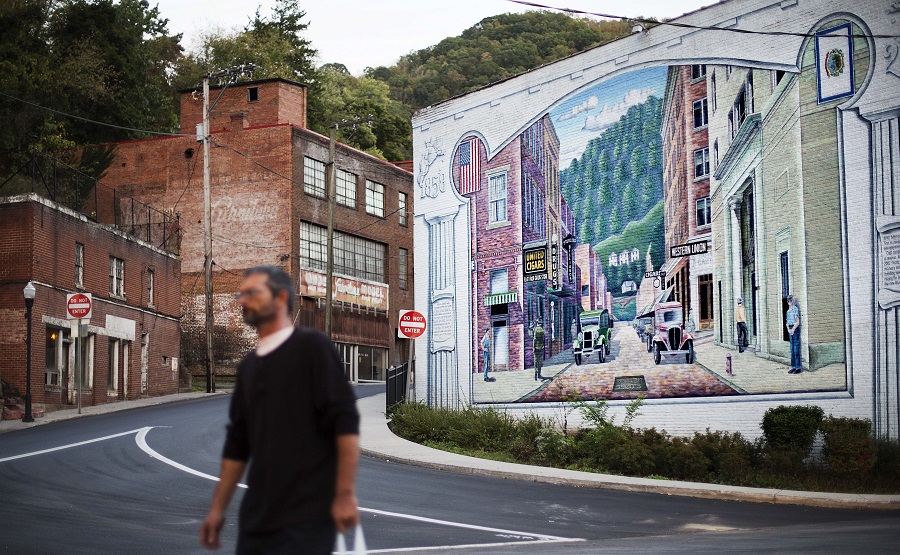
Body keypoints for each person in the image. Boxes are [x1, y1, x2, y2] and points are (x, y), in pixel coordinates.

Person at [200, 266, 360, 554]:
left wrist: (345, 494)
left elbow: (345, 423)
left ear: (281, 297)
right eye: (241, 294)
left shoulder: (312, 348)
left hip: (306, 519)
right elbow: (238, 445)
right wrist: (216, 510)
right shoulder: (249, 366)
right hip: (256, 520)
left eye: (252, 292)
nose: (243, 300)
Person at [786, 295, 802, 374]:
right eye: (788, 301)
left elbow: (797, 322)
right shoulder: (788, 311)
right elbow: (787, 322)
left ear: (793, 301)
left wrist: (793, 329)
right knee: (792, 349)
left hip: (795, 329)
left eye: (790, 300)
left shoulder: (795, 309)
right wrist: (788, 329)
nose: (789, 302)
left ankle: (798, 367)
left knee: (796, 349)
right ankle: (793, 366)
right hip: (790, 329)